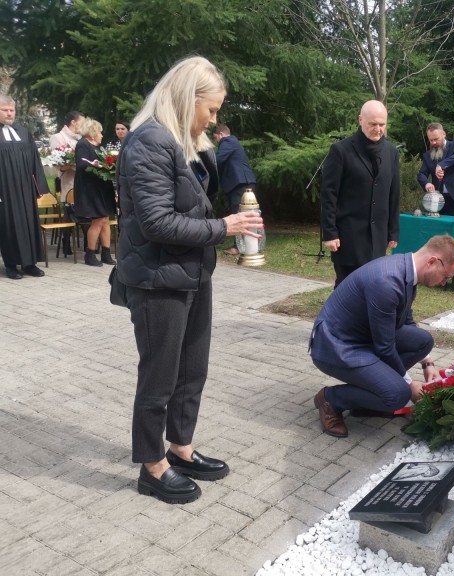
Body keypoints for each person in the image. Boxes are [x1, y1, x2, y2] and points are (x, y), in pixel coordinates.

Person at [117, 56, 264, 504]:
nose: (214, 119)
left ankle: (180, 447)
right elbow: (158, 223)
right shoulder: (148, 143)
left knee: (192, 370)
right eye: (212, 109)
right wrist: (225, 228)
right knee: (160, 374)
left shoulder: (182, 142)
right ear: (187, 99)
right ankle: (151, 464)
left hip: (193, 274)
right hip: (158, 280)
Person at [309, 234, 454, 437]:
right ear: (433, 261)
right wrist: (409, 385)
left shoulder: (405, 269)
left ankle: (374, 392)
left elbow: (405, 322)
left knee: (423, 341)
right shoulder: (387, 282)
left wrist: (427, 363)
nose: (444, 283)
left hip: (361, 338)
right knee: (398, 395)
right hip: (337, 347)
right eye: (446, 277)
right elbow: (384, 346)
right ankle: (332, 399)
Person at [321, 99, 400, 288]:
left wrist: (393, 231)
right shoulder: (341, 150)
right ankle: (338, 319)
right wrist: (330, 233)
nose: (378, 129)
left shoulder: (391, 152)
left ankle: (365, 319)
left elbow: (394, 193)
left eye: (382, 124)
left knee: (373, 287)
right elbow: (329, 195)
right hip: (348, 237)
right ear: (360, 120)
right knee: (346, 289)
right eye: (373, 124)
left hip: (377, 237)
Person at [0, 94, 48, 280]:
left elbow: (35, 161)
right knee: (9, 226)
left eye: (12, 110)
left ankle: (30, 264)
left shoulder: (23, 132)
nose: (9, 113)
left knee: (29, 224)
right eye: (5, 110)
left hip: (25, 189)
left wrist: (38, 187)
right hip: (5, 190)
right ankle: (11, 265)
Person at [74, 117, 116, 266]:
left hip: (102, 187)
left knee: (105, 220)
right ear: (92, 133)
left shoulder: (98, 147)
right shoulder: (83, 145)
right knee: (97, 220)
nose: (102, 135)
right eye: (100, 132)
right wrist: (98, 166)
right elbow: (82, 165)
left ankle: (106, 252)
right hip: (90, 189)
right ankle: (90, 254)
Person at [212, 123, 257, 256]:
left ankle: (238, 247)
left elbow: (218, 159)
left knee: (239, 214)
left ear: (221, 134)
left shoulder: (227, 141)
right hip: (244, 182)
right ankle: (248, 245)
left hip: (240, 183)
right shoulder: (234, 142)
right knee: (246, 214)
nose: (217, 141)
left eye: (216, 138)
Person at [417, 122, 454, 216]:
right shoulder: (427, 155)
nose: (433, 143)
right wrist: (427, 183)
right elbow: (421, 174)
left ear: (443, 134)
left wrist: (441, 165)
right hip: (437, 201)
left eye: (436, 139)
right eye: (431, 140)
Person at [49, 111, 83, 198]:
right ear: (73, 122)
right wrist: (72, 163)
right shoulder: (57, 137)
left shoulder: (81, 138)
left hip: (83, 183)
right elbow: (57, 164)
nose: (84, 126)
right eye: (82, 123)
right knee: (71, 210)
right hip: (69, 183)